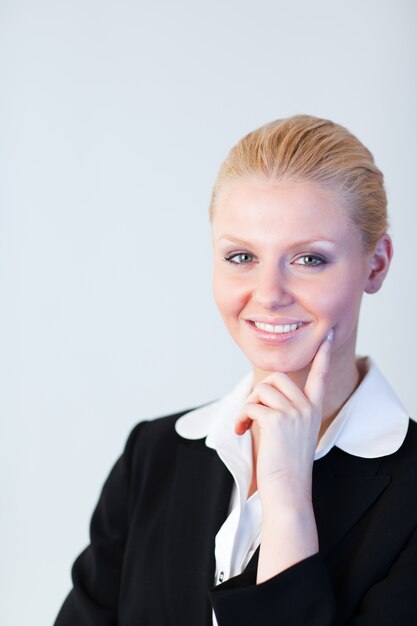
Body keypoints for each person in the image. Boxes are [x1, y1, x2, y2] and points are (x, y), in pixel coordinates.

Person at [54, 115, 417, 625]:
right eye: (242, 255)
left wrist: (288, 501)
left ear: (375, 265)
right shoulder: (153, 455)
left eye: (310, 259)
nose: (268, 293)